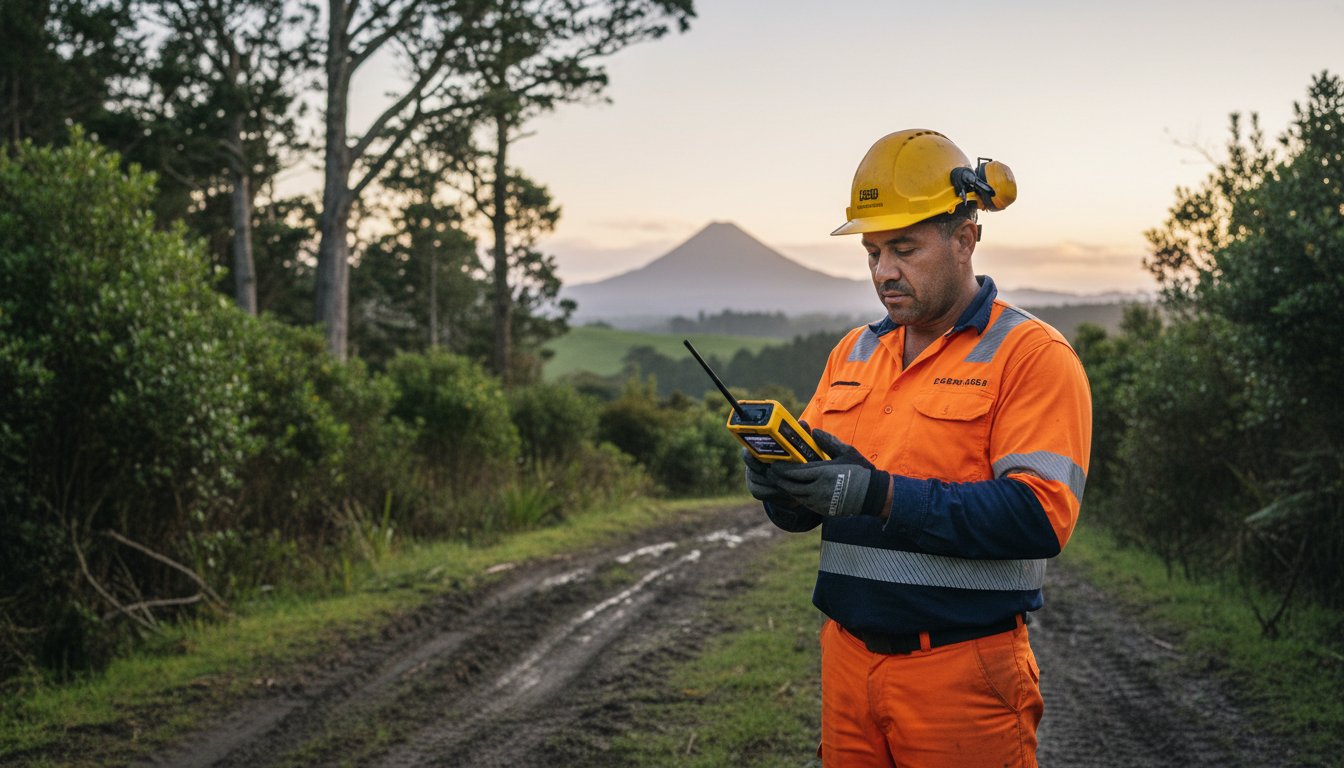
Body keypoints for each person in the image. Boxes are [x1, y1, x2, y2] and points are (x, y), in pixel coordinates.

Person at [744, 129, 1092, 768]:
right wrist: (783, 490)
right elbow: (823, 496)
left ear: (966, 238)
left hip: (962, 673)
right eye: (873, 251)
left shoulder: (1032, 355)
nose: (884, 272)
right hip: (846, 663)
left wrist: (878, 494)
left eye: (904, 248)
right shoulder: (852, 352)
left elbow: (1040, 517)